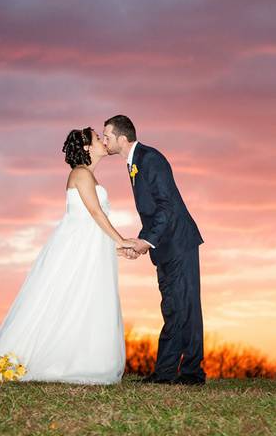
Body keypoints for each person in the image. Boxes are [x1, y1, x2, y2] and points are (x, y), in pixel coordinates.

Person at [0, 127, 135, 384]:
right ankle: (68, 360)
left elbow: (92, 225)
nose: (101, 140)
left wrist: (113, 246)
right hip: (75, 250)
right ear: (87, 148)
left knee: (83, 300)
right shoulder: (81, 174)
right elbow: (96, 215)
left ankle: (81, 356)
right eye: (97, 138)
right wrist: (120, 239)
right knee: (73, 299)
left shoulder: (88, 177)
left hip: (87, 248)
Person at [102, 115, 206, 385]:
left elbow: (166, 205)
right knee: (174, 307)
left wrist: (145, 240)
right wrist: (145, 243)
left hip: (178, 243)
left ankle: (188, 373)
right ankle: (172, 372)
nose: (104, 141)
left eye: (107, 137)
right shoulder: (134, 162)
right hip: (166, 245)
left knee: (184, 308)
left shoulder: (150, 159)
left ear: (122, 139)